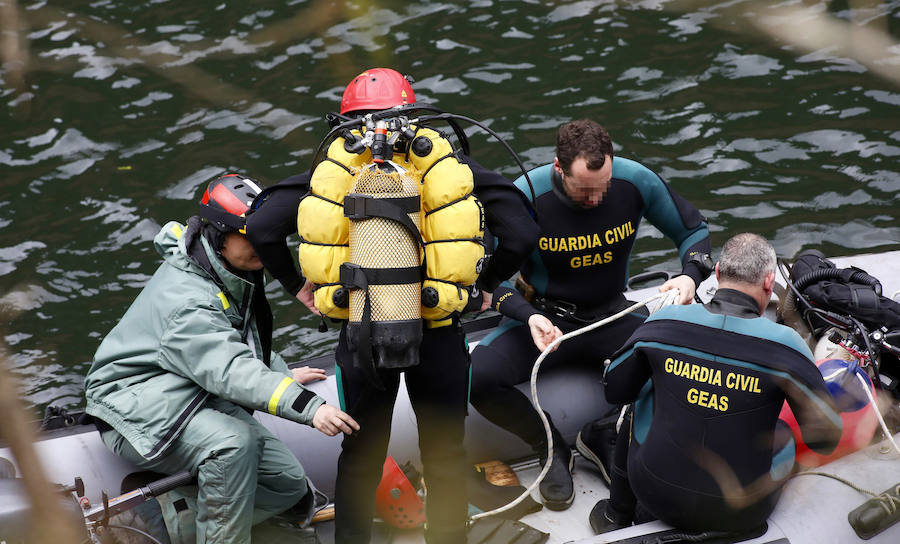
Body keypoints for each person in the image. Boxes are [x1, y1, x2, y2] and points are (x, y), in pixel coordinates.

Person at [272, 68, 539, 544]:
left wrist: (298, 284)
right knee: (444, 453)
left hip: (362, 335)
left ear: (346, 122)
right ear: (412, 113)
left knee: (360, 457)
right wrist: (484, 285)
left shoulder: (333, 173)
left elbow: (262, 225)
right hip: (438, 333)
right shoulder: (445, 169)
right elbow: (522, 230)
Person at [84, 174, 359, 543]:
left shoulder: (223, 269)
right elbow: (227, 366)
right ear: (218, 235)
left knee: (288, 483)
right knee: (232, 444)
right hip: (133, 406)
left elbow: (232, 340)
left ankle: (162, 522)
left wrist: (277, 371)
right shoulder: (188, 301)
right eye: (250, 235)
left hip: (184, 390)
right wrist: (309, 408)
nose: (263, 242)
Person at [468, 119, 712, 510]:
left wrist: (690, 276)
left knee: (681, 366)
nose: (597, 199)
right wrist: (524, 313)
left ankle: (603, 432)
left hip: (611, 315)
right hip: (545, 321)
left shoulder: (635, 180)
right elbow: (478, 277)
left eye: (604, 188)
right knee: (475, 376)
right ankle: (551, 448)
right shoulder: (524, 196)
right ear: (558, 168)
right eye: (584, 190)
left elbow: (694, 232)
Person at [591, 233, 842, 534]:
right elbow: (825, 440)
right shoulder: (786, 346)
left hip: (656, 494)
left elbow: (615, 389)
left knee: (642, 394)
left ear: (719, 272)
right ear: (768, 283)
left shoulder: (664, 322)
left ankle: (616, 514)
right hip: (742, 510)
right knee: (783, 431)